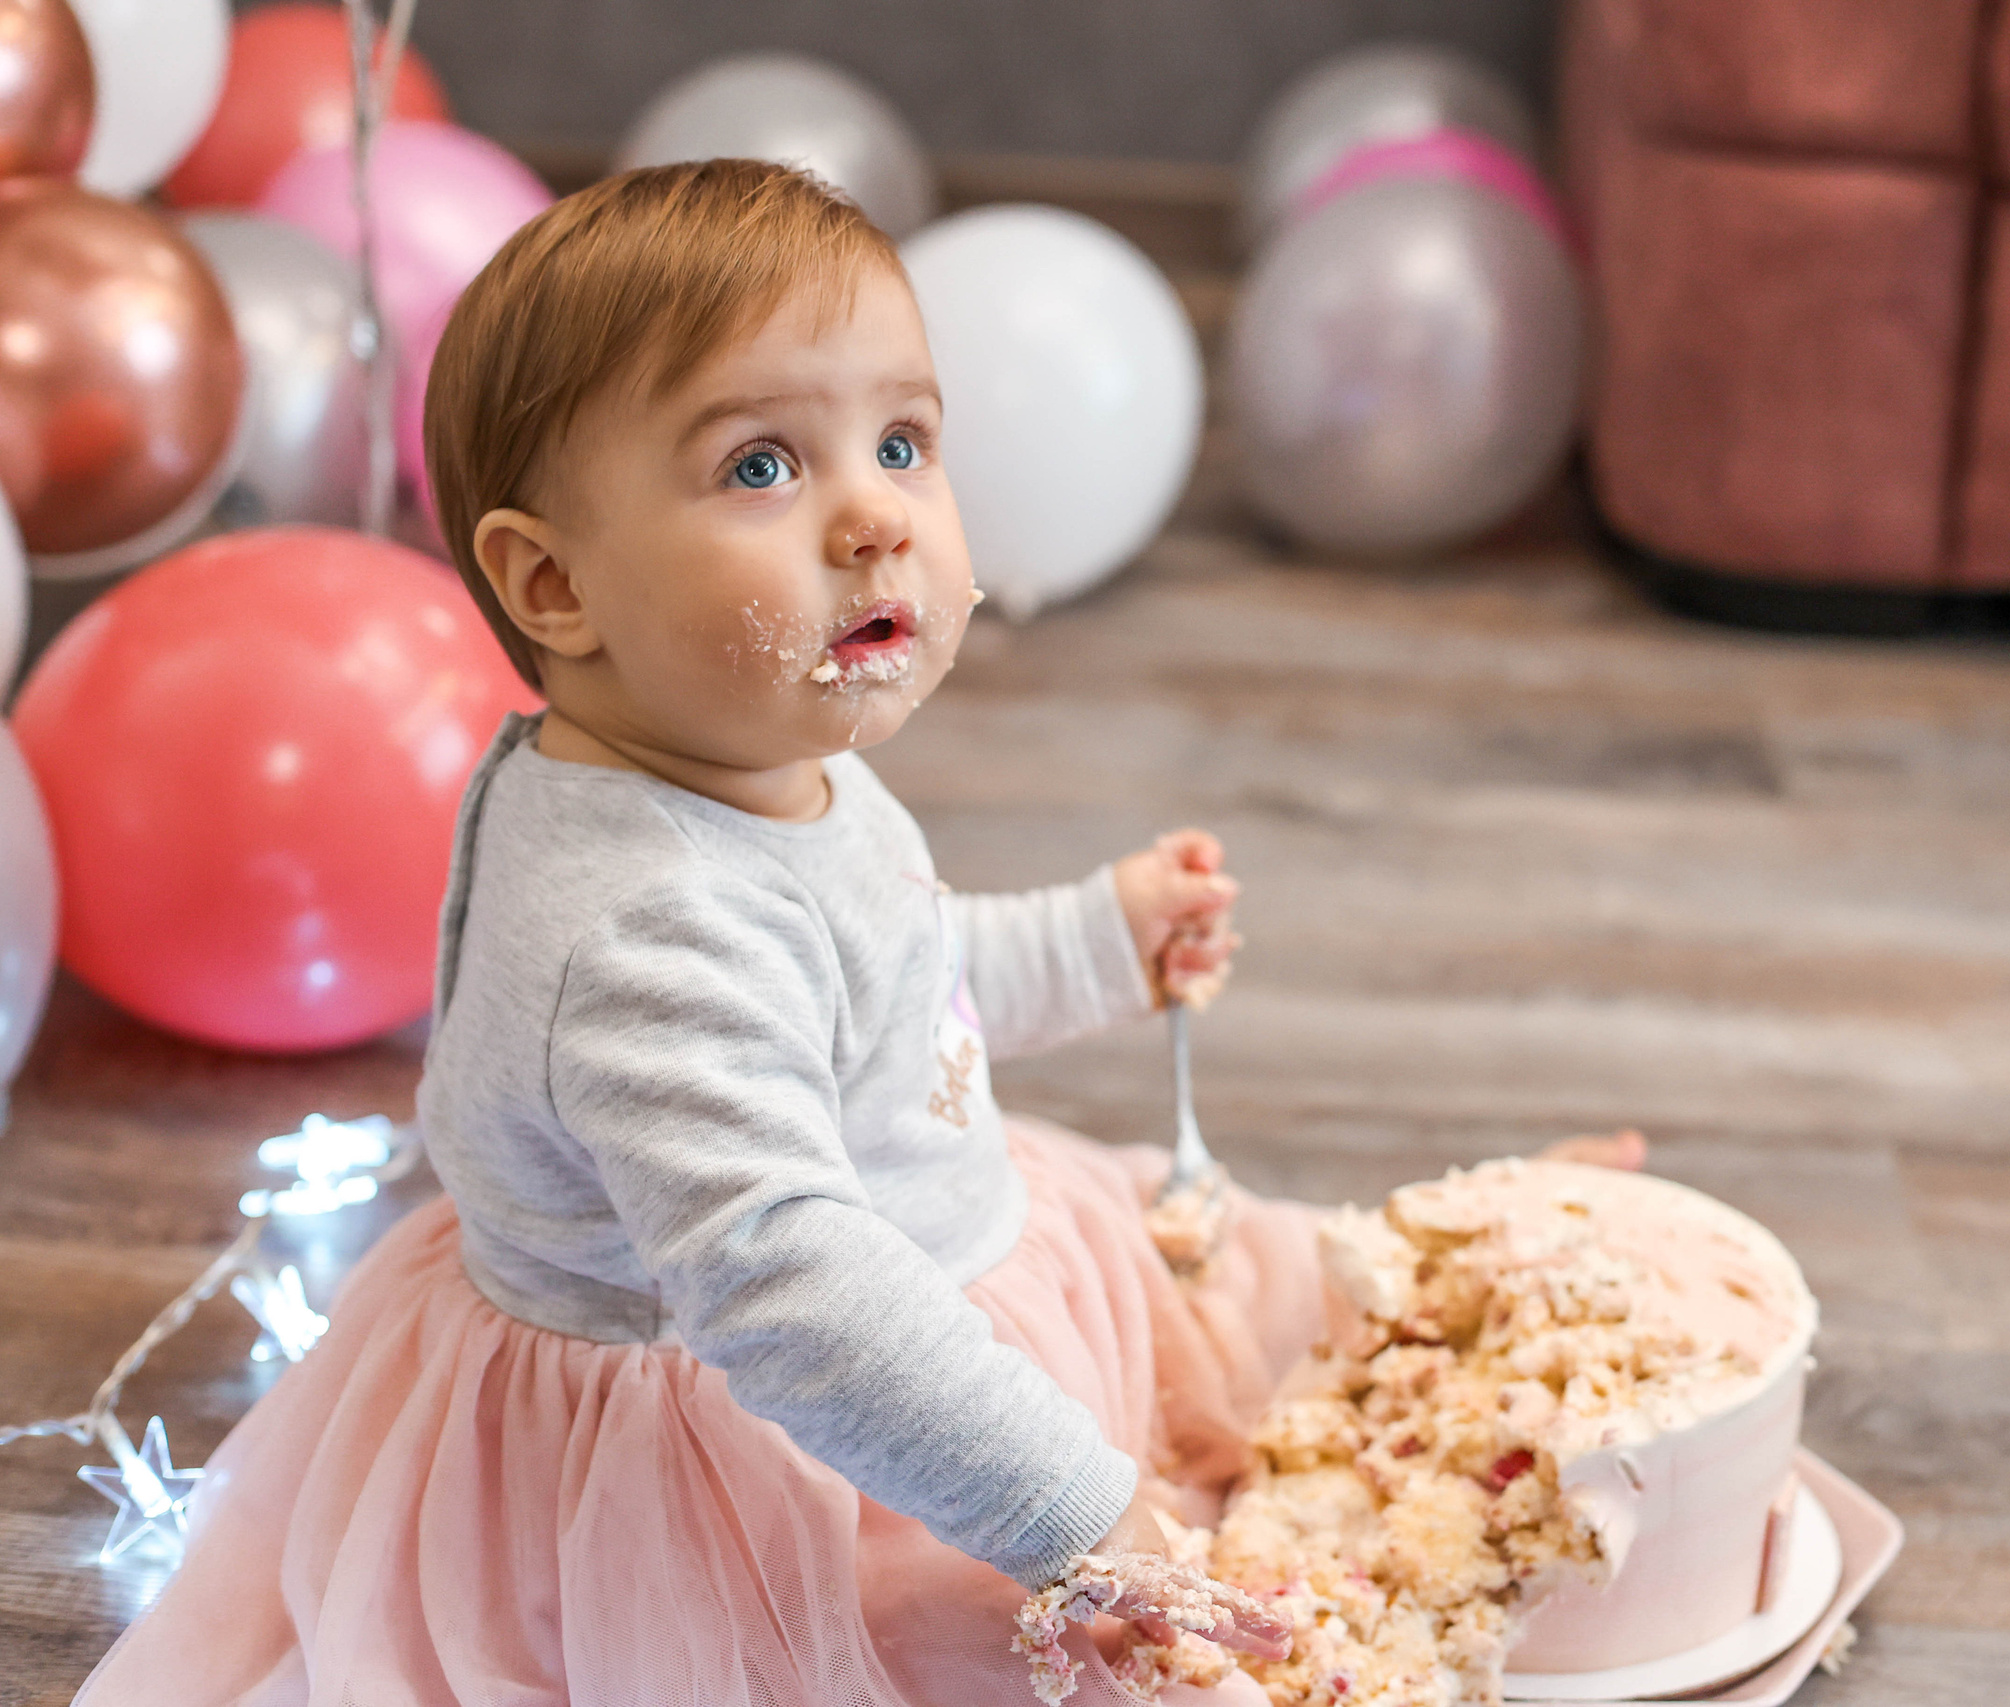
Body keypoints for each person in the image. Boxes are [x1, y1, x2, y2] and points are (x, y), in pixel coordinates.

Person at [74, 158, 1309, 1707]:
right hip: (765, 1442)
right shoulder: (641, 938)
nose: (873, 516)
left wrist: (1092, 943)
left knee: (1234, 1281)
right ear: (554, 582)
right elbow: (792, 1293)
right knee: (1000, 1654)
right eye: (760, 470)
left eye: (903, 442)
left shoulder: (751, 767)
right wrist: (1067, 1515)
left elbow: (889, 980)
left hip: (883, 1295)